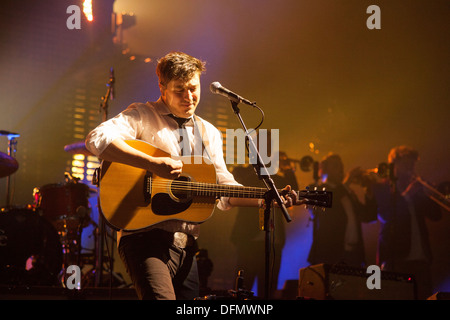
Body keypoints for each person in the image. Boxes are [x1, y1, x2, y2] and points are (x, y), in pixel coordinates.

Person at [85, 51, 300, 300]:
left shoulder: (209, 132)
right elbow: (96, 139)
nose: (189, 97)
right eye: (179, 90)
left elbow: (223, 189)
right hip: (144, 239)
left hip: (187, 246)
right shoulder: (142, 115)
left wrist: (266, 199)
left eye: (194, 88)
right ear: (162, 87)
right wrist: (152, 163)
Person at [371, 145, 442, 299]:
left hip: (421, 259)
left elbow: (436, 216)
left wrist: (428, 194)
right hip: (396, 259)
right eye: (406, 164)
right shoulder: (382, 188)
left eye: (412, 164)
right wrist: (407, 194)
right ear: (393, 165)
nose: (410, 168)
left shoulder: (417, 189)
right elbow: (385, 215)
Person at [230, 152, 299, 298]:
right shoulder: (242, 172)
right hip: (249, 241)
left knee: (268, 291)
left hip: (273, 242)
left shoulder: (276, 179)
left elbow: (295, 192)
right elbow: (240, 182)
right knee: (242, 289)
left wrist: (287, 168)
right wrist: (260, 166)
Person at [307, 153, 377, 267]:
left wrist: (369, 192)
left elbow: (369, 217)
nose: (340, 169)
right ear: (325, 169)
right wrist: (347, 182)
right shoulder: (319, 189)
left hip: (353, 255)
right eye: (335, 166)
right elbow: (332, 205)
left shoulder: (348, 192)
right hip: (331, 255)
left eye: (341, 166)